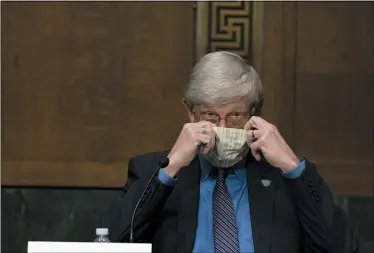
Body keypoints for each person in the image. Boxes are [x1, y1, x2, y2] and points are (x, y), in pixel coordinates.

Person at [103, 51, 359, 253]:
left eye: (235, 116)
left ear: (254, 114)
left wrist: (292, 166)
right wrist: (170, 167)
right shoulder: (156, 173)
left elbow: (340, 248)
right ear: (190, 113)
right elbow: (110, 243)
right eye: (210, 115)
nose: (221, 128)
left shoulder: (286, 179)